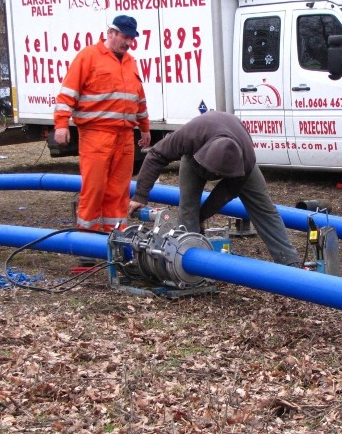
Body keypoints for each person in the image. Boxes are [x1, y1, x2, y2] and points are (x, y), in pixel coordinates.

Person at [128, 110, 301, 267]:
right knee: (188, 209)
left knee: (264, 209)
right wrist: (140, 195)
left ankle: (289, 262)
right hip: (195, 156)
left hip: (238, 162)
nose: (212, 176)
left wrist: (202, 216)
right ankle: (187, 263)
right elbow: (156, 155)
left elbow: (225, 193)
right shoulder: (190, 135)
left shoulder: (246, 162)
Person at [55, 15, 151, 232]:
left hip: (125, 137)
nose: (129, 43)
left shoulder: (130, 62)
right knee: (94, 190)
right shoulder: (88, 57)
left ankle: (114, 240)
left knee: (119, 192)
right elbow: (68, 94)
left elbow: (139, 98)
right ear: (111, 33)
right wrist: (61, 124)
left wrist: (144, 127)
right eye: (125, 37)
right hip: (96, 135)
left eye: (132, 39)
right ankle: (87, 246)